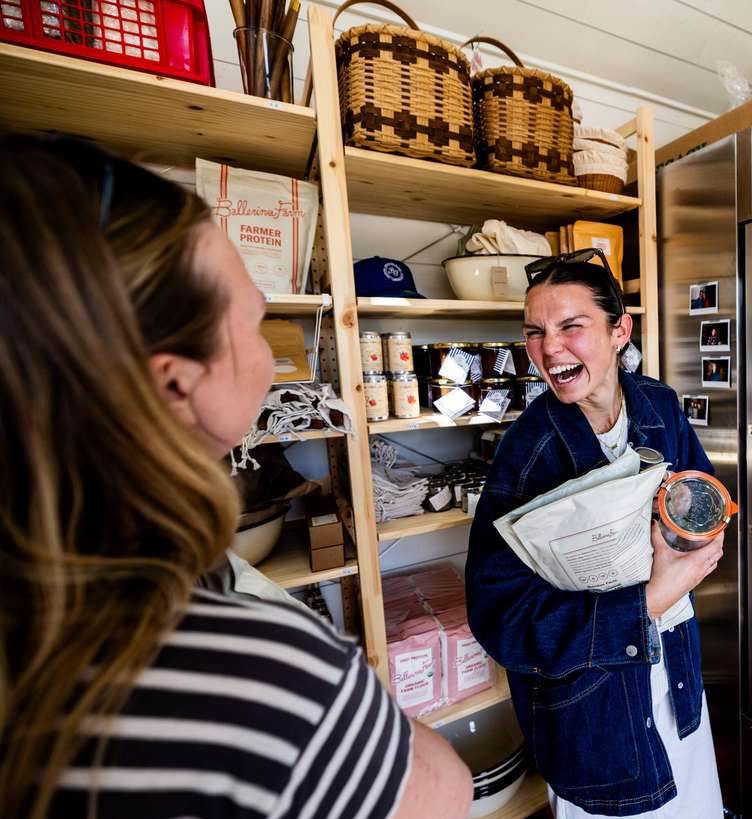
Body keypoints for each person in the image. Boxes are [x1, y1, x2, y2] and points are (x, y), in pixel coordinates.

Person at [0, 135, 472, 819]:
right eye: (256, 319)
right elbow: (445, 794)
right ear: (175, 384)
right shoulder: (254, 677)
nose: (272, 348)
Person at [466, 250, 725, 817]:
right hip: (594, 710)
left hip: (675, 675)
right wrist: (650, 599)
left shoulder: (658, 406)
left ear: (619, 330)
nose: (549, 348)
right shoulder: (527, 454)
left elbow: (700, 493)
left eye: (571, 327)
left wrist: (701, 534)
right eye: (535, 332)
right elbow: (500, 618)